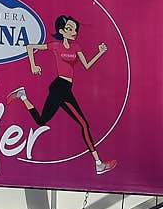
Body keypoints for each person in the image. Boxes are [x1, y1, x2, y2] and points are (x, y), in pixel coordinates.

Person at [10, 14, 116, 175]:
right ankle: (98, 164)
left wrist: (100, 52)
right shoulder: (56, 46)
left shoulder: (76, 47)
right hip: (60, 87)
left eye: (74, 29)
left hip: (65, 88)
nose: (73, 32)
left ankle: (23, 95)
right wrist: (33, 65)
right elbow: (30, 47)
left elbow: (87, 65)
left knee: (41, 121)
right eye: (69, 29)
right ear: (61, 31)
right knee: (83, 124)